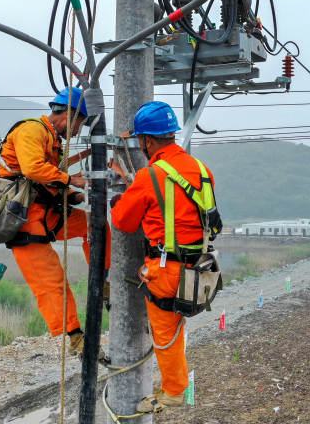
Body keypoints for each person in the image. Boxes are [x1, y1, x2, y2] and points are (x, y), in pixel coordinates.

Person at [110, 101, 220, 413]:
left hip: (166, 271)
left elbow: (123, 221)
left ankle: (174, 390)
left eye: (140, 141)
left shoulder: (149, 176)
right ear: (170, 134)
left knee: (166, 333)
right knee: (175, 328)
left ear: (147, 140)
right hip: (201, 267)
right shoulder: (202, 170)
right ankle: (174, 383)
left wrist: (121, 198)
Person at [0, 86, 111, 358]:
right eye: (80, 122)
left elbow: (46, 180)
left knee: (96, 225)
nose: (78, 129)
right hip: (23, 222)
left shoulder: (52, 138)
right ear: (70, 114)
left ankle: (106, 280)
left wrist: (74, 195)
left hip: (46, 214)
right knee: (51, 282)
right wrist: (73, 180)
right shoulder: (32, 130)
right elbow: (33, 169)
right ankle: (76, 337)